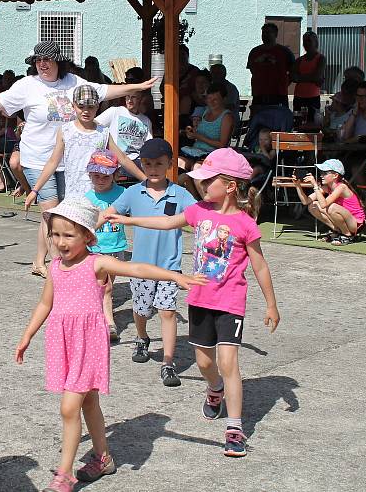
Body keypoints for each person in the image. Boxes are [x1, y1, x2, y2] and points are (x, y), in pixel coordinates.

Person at [15, 197, 205, 492]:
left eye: (69, 235)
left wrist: (173, 275)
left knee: (69, 408)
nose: (60, 242)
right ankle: (103, 458)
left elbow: (138, 269)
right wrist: (27, 335)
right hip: (63, 341)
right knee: (88, 401)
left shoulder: (97, 263)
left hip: (88, 343)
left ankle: (64, 474)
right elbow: (45, 303)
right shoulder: (54, 267)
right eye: (55, 234)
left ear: (87, 236)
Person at [107, 148, 280, 458]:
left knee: (229, 363)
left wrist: (271, 304)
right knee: (204, 363)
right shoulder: (199, 210)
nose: (200, 185)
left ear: (229, 185)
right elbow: (166, 222)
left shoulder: (244, 223)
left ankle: (235, 428)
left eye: (207, 180)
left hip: (230, 301)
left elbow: (261, 265)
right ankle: (214, 390)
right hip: (200, 299)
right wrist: (124, 218)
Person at [0, 41, 156, 278]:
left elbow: (103, 90)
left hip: (70, 161)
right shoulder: (27, 85)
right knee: (53, 212)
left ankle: (40, 260)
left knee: (64, 214)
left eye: (47, 60)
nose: (42, 64)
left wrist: (135, 87)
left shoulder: (74, 82)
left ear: (58, 62)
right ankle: (61, 269)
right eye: (38, 60)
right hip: (37, 159)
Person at [98, 139, 196, 386]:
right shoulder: (133, 193)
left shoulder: (181, 194)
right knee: (141, 310)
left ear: (170, 165)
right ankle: (142, 337)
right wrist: (87, 230)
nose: (153, 168)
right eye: (148, 163)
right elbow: (108, 213)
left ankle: (168, 362)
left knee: (167, 311)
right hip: (139, 267)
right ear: (142, 164)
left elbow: (200, 217)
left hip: (169, 267)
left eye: (159, 164)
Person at [24, 85, 145, 211]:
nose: (86, 111)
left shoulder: (103, 132)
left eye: (91, 107)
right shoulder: (66, 130)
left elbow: (123, 158)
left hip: (98, 196)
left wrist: (145, 179)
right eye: (81, 107)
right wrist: (35, 190)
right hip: (73, 196)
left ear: (97, 106)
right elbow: (53, 162)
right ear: (73, 106)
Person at [84, 151, 127, 341]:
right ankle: (109, 324)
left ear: (115, 175)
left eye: (105, 176)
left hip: (116, 248)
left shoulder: (123, 194)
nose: (100, 180)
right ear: (90, 175)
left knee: (107, 286)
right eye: (96, 176)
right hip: (95, 249)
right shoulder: (87, 197)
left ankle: (98, 313)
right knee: (106, 287)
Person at [179, 82, 235, 199]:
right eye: (209, 99)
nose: (212, 102)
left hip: (213, 155)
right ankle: (193, 202)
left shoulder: (226, 117)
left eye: (216, 99)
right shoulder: (205, 112)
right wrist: (191, 134)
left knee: (197, 169)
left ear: (223, 99)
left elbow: (222, 144)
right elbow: (199, 134)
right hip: (195, 152)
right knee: (177, 163)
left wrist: (199, 136)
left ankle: (207, 201)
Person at [291, 158, 365, 245]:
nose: (321, 175)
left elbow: (323, 204)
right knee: (313, 205)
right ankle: (337, 231)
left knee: (331, 207)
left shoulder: (342, 187)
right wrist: (298, 186)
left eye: (325, 173)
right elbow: (306, 201)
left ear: (335, 175)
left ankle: (347, 235)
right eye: (321, 172)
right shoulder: (327, 187)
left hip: (355, 223)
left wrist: (315, 185)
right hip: (345, 220)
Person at [95, 90, 153, 178]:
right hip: (117, 161)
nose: (129, 100)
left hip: (138, 161)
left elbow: (149, 145)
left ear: (140, 100)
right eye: (127, 97)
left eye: (133, 97)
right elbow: (94, 124)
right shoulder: (115, 111)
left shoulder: (146, 120)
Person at [247, 22, 295, 108]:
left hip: (279, 95)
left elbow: (293, 72)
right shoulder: (254, 52)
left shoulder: (285, 52)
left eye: (268, 32)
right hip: (259, 94)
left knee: (279, 119)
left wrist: (283, 83)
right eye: (263, 33)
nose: (265, 35)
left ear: (276, 34)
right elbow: (252, 70)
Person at [291, 31, 326, 121]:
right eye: (305, 41)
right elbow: (293, 77)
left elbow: (317, 77)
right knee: (297, 121)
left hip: (313, 97)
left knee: (313, 122)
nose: (306, 43)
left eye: (309, 41)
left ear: (315, 42)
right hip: (298, 97)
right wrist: (312, 78)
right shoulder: (299, 60)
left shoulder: (321, 58)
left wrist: (300, 78)